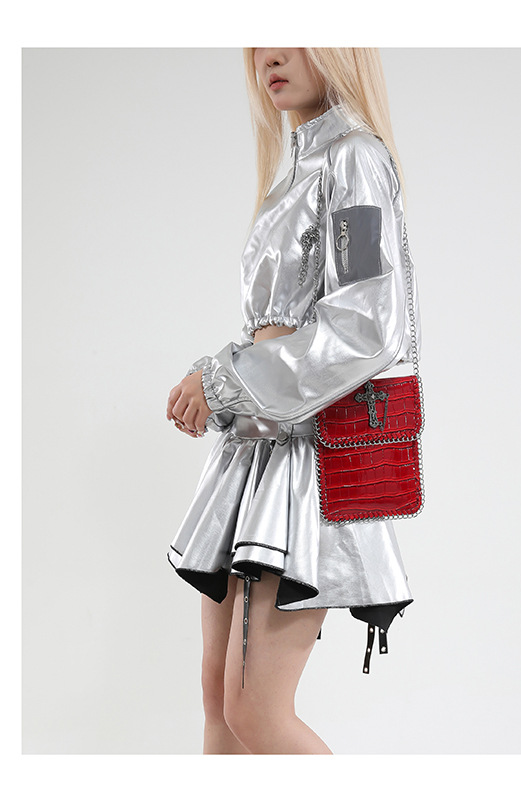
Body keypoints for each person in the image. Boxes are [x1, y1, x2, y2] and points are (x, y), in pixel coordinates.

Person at [165, 47, 422, 755]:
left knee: (254, 711)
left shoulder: (354, 158)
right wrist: (218, 383)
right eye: (260, 39)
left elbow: (368, 324)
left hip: (304, 462)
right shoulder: (298, 166)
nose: (270, 55)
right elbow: (285, 326)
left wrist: (225, 379)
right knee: (220, 703)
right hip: (255, 453)